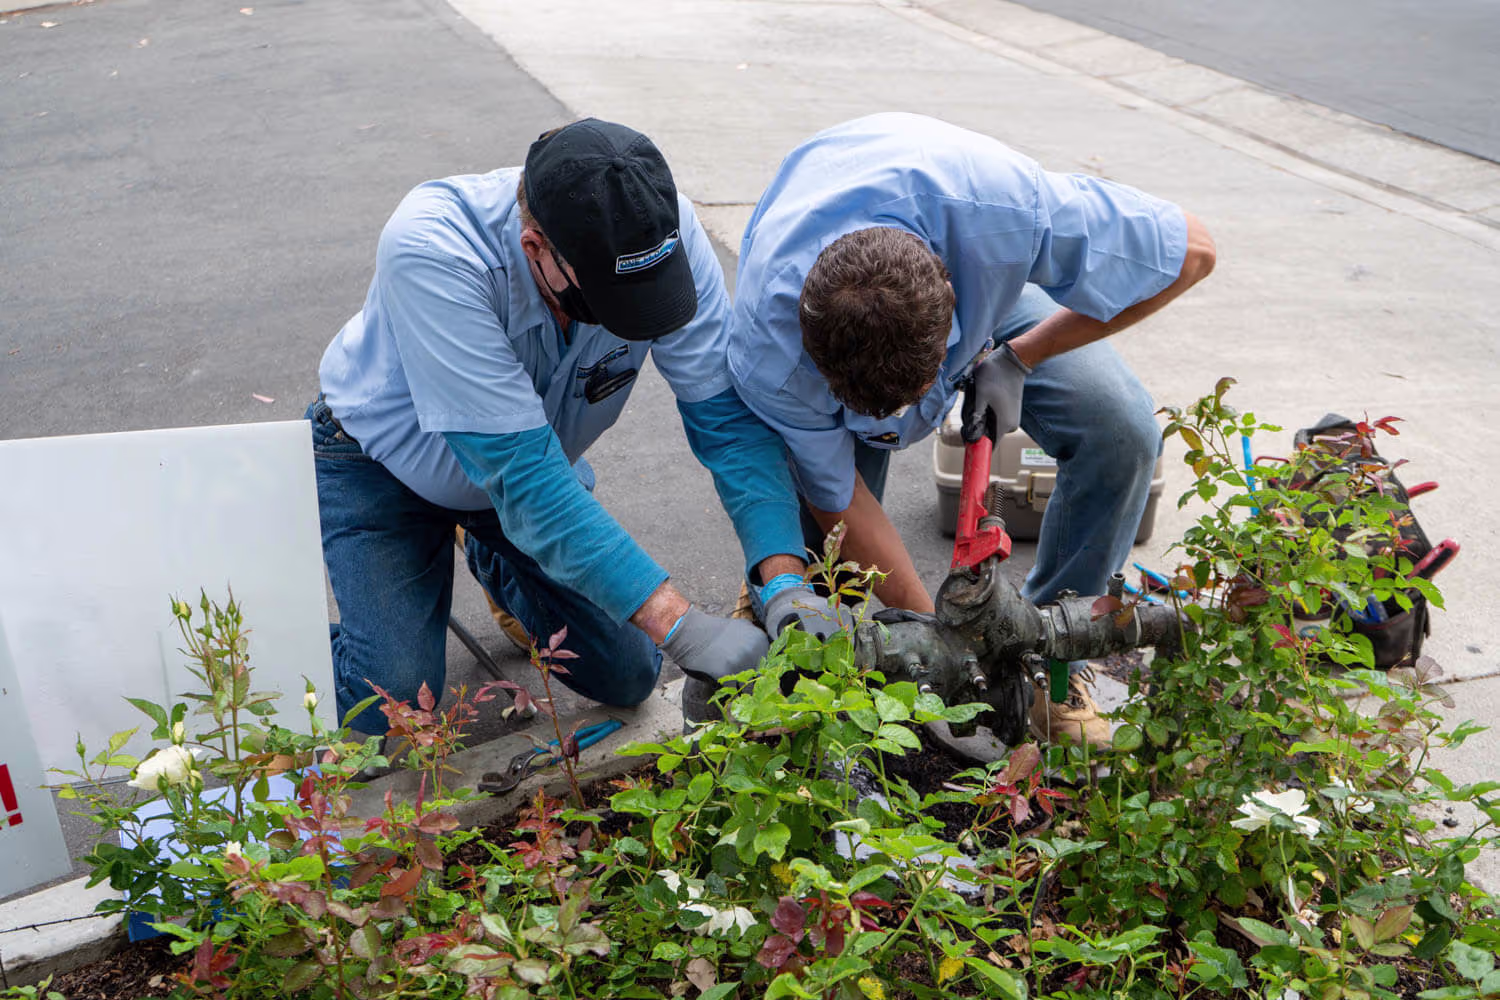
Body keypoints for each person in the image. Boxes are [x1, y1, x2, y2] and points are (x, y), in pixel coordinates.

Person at [311, 118, 829, 734]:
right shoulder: (434, 249)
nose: (635, 317)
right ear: (537, 250)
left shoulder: (657, 231)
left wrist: (785, 581)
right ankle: (284, 643)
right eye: (617, 302)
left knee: (629, 673)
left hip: (527, 473)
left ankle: (492, 551)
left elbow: (728, 424)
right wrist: (681, 624)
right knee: (392, 706)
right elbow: (525, 479)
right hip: (381, 465)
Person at [728, 113, 1217, 746]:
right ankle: (795, 617)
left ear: (954, 303)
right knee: (819, 570)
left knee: (1119, 429)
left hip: (966, 261)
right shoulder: (771, 347)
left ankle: (1051, 664)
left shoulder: (1009, 210)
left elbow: (1195, 253)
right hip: (854, 297)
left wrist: (1022, 355)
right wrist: (954, 652)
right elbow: (841, 500)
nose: (899, 425)